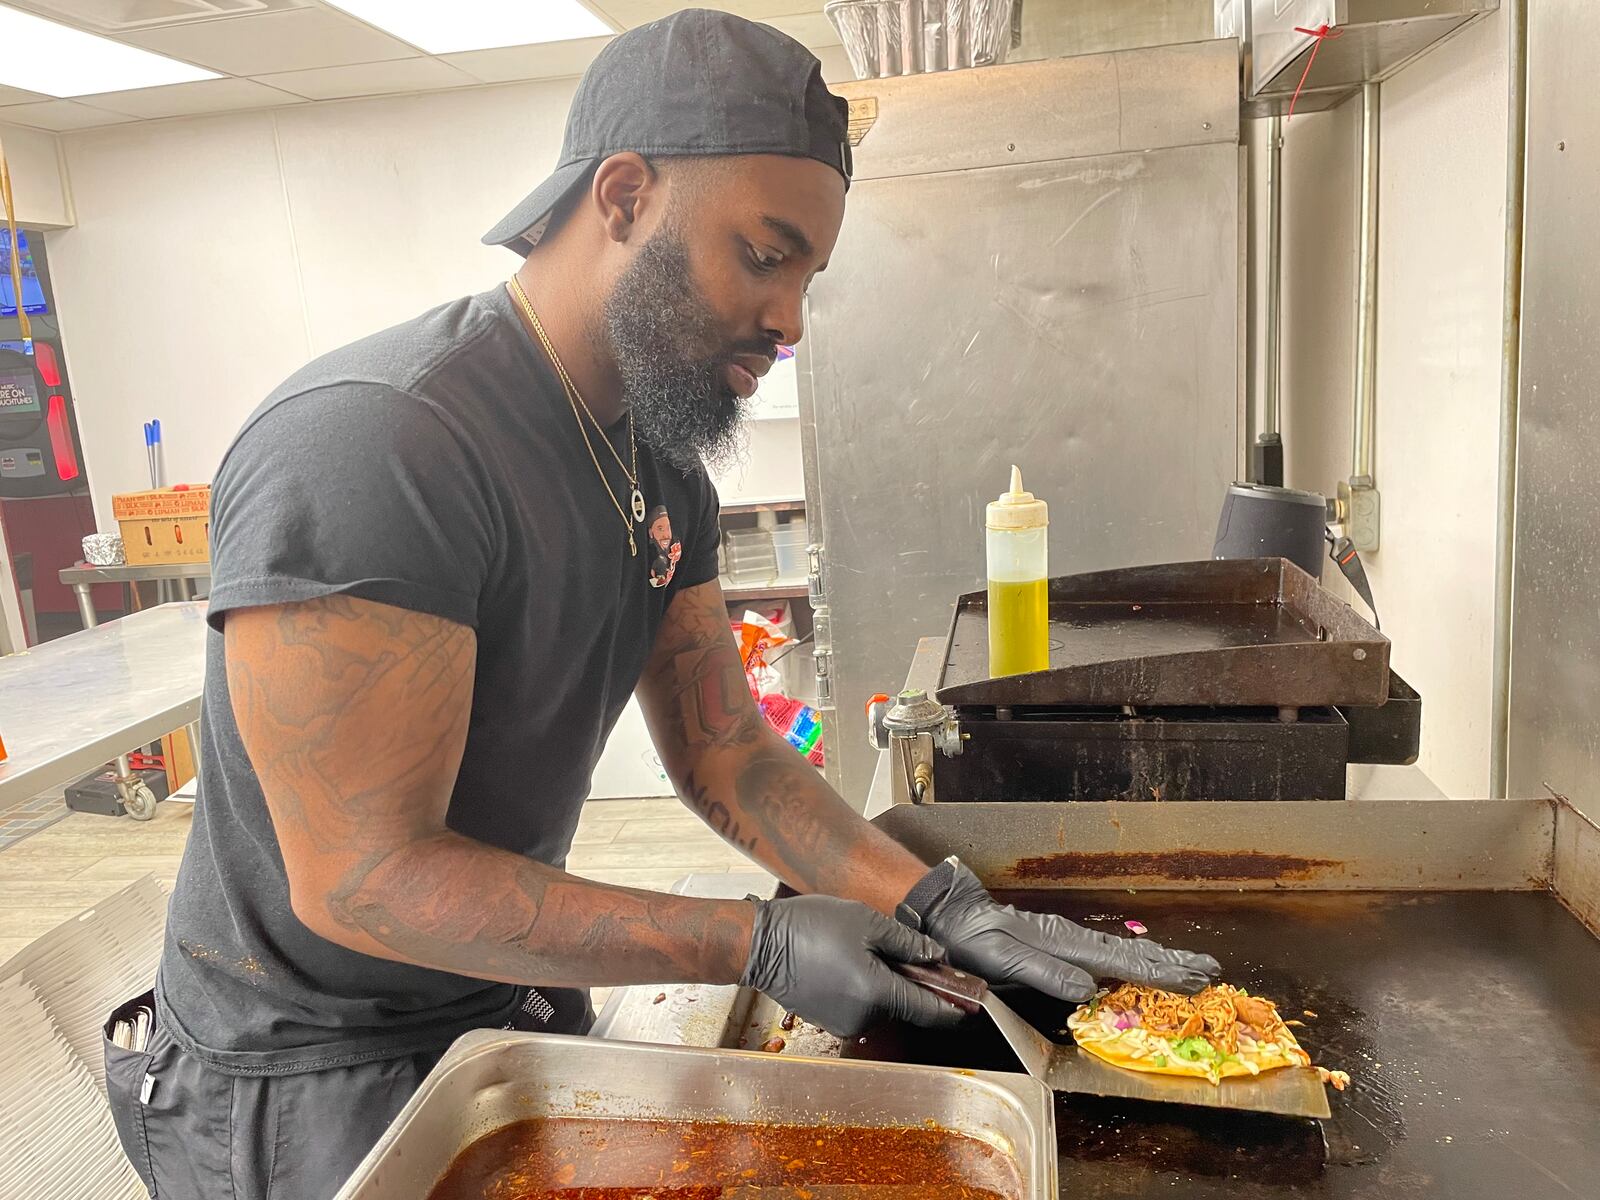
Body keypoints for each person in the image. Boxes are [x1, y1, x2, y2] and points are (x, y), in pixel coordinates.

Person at [103, 11, 1220, 1199]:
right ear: (624, 194)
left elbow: (727, 751)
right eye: (764, 252)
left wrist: (938, 902)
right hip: (302, 1081)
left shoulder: (655, 459)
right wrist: (757, 939)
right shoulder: (382, 444)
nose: (790, 318)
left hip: (495, 1011)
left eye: (807, 276)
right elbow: (367, 877)